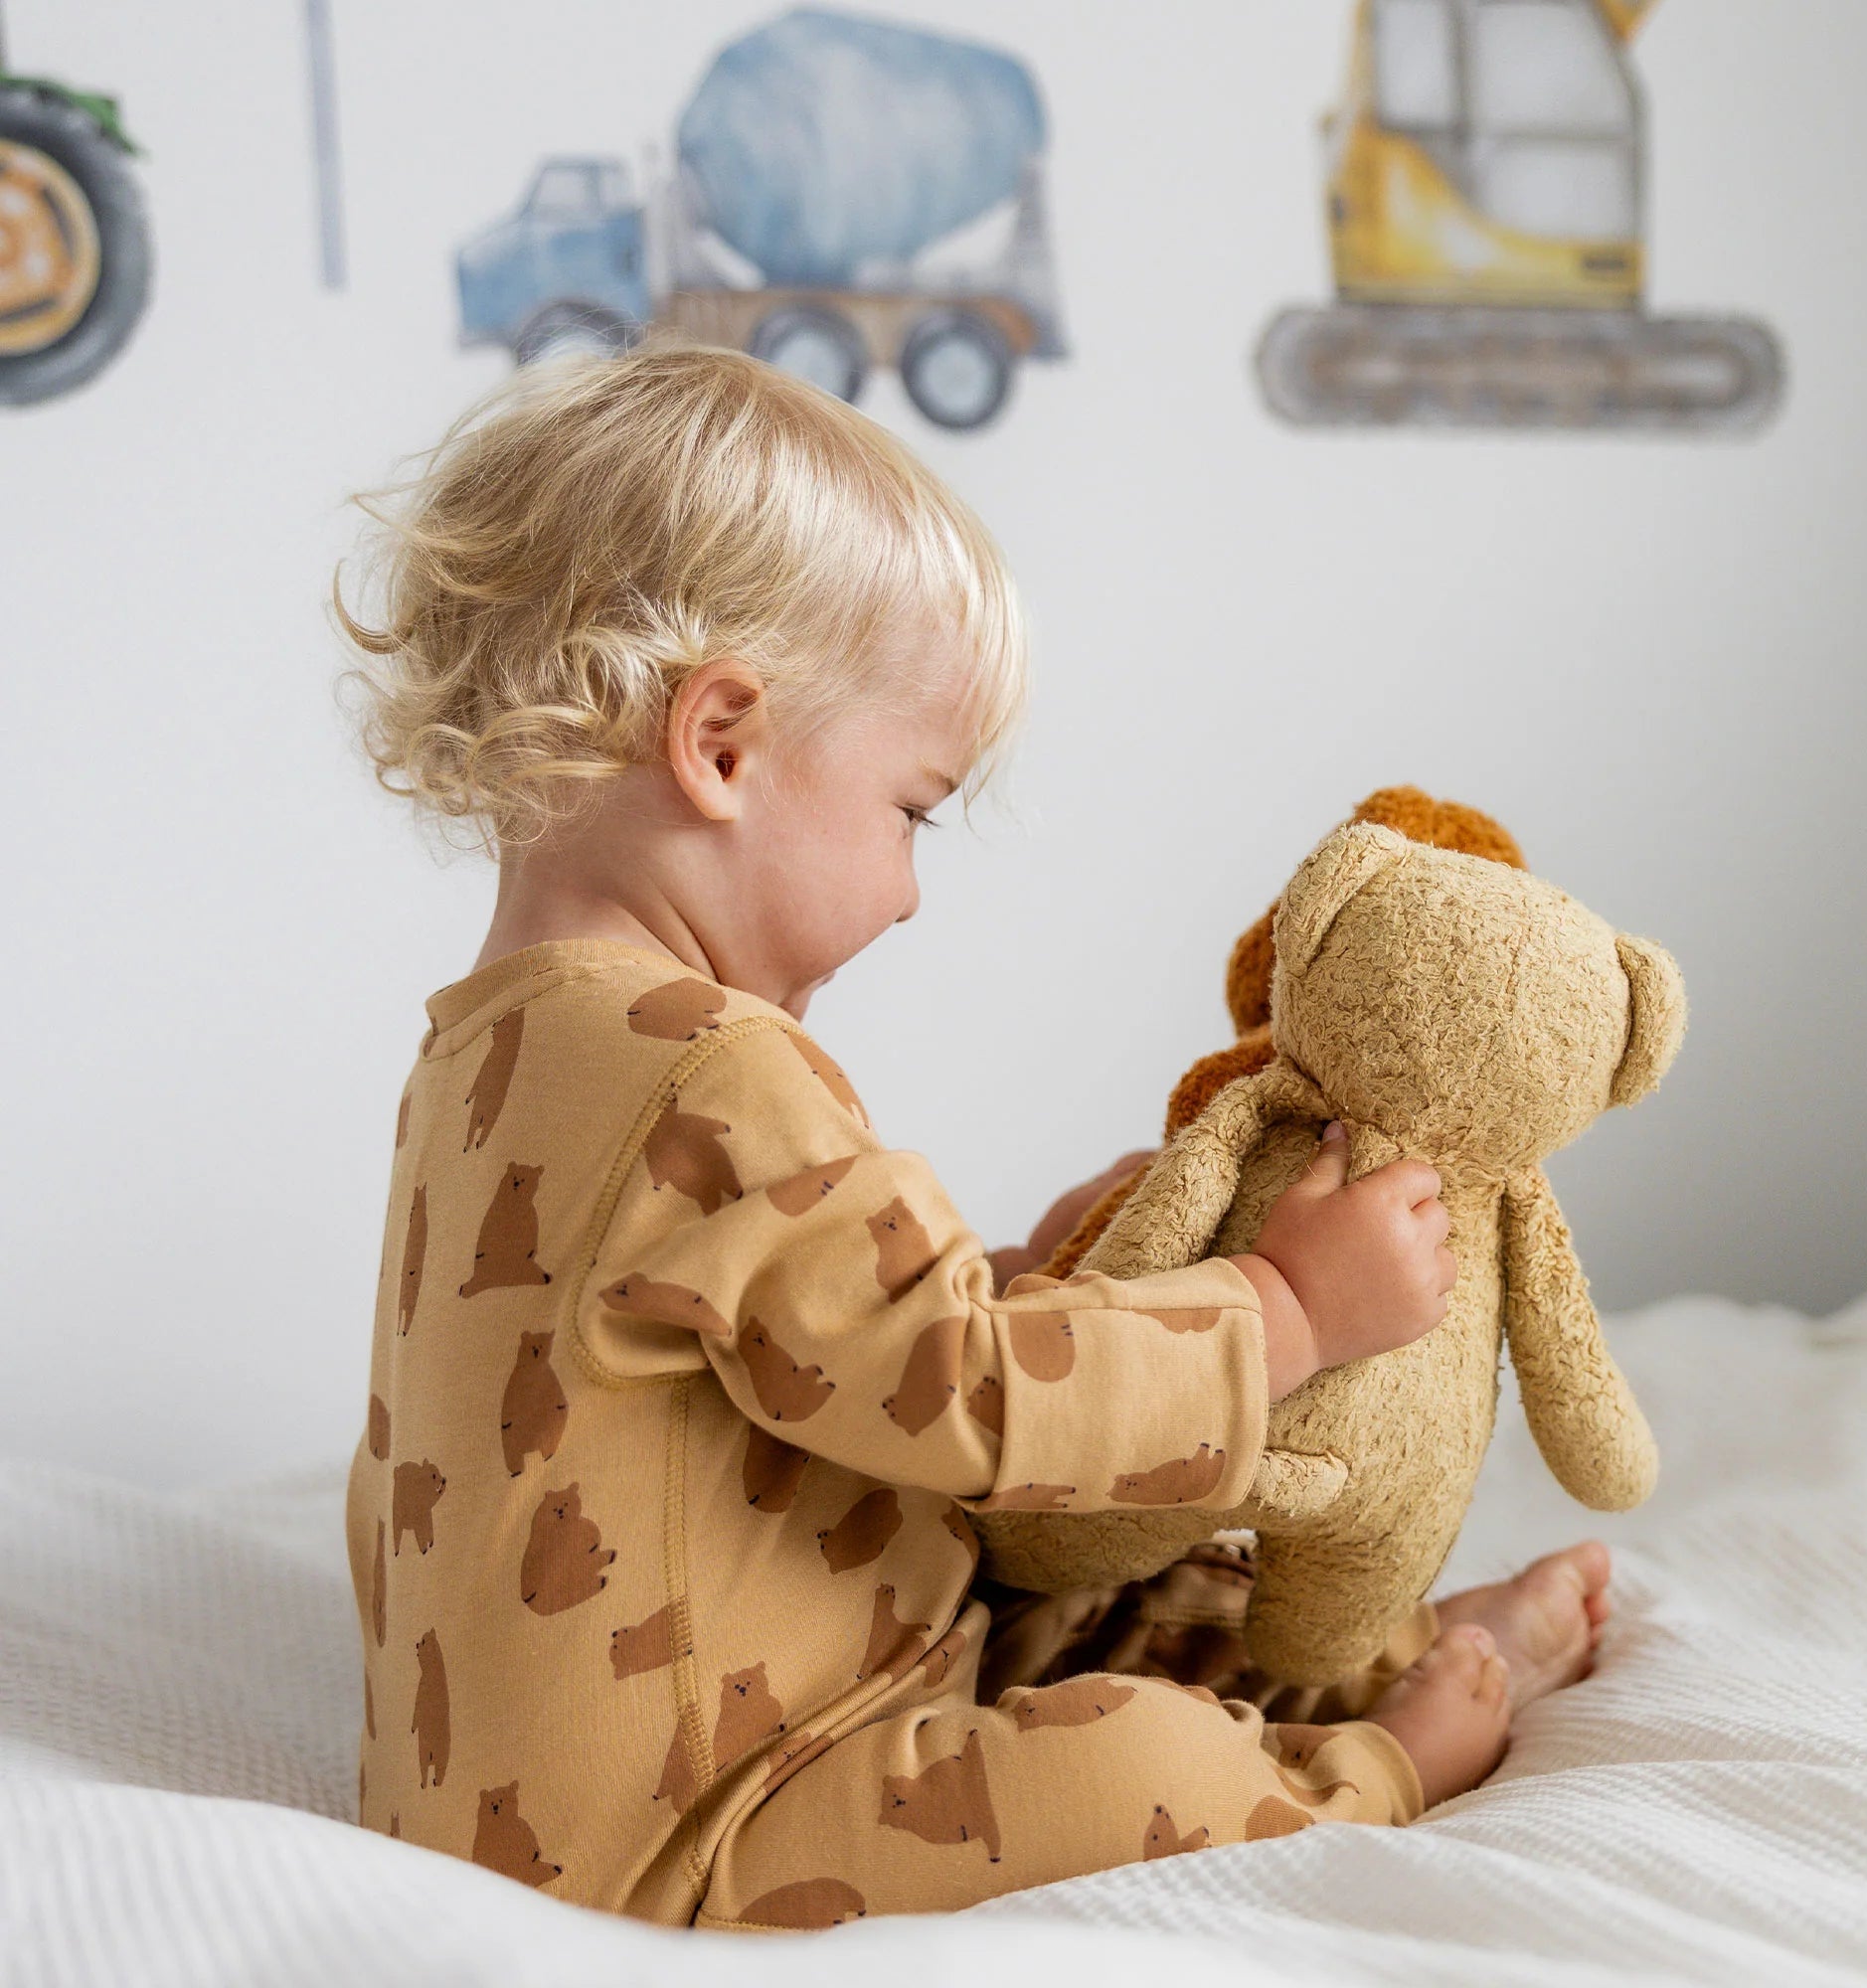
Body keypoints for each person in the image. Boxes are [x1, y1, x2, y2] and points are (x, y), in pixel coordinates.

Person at [339, 341, 1612, 1931]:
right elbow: (963, 1399)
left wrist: (1028, 1272)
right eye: (912, 808)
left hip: (599, 1757)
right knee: (1121, 1759)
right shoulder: (710, 1066)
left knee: (1097, 1578)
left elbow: (774, 1366)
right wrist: (1288, 1311)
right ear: (722, 741)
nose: (909, 889)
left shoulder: (487, 1049)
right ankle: (1369, 1763)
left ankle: (1388, 1636)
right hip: (693, 1831)